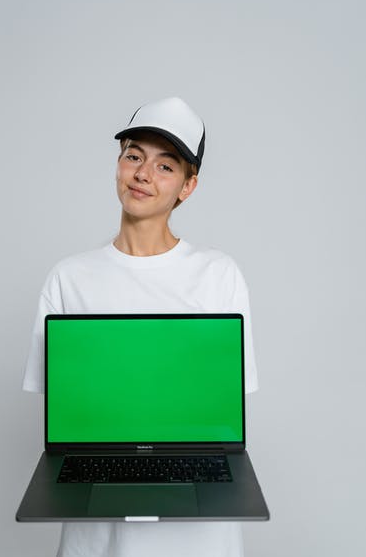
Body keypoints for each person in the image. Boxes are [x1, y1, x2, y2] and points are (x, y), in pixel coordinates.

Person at [23, 96, 259, 557]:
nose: (143, 174)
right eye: (134, 156)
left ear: (188, 186)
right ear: (118, 164)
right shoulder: (69, 278)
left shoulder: (219, 274)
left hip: (199, 536)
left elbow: (222, 413)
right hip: (99, 536)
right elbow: (66, 418)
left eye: (165, 166)